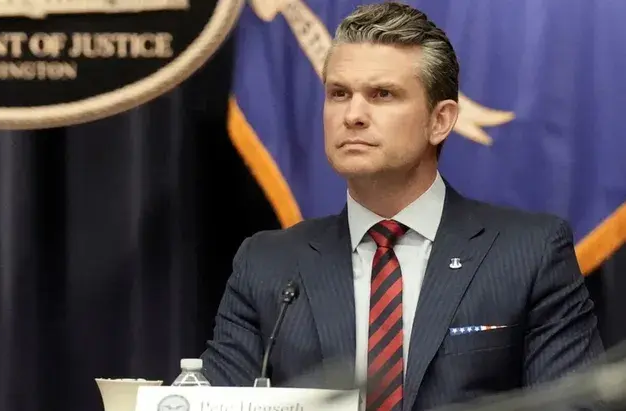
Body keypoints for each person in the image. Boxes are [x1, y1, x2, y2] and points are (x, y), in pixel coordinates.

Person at [200, 2, 604, 411]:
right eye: (339, 94)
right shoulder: (267, 265)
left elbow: (573, 404)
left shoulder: (529, 254)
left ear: (440, 120)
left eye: (382, 95)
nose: (353, 115)